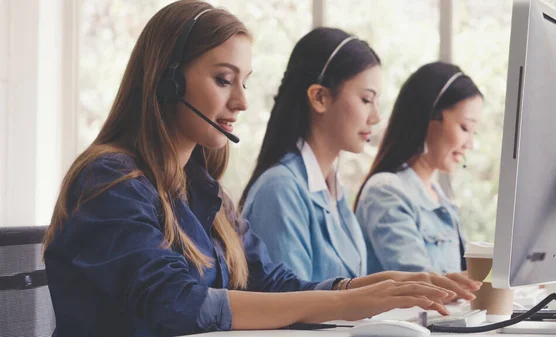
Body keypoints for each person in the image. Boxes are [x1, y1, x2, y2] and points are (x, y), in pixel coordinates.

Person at [42, 3, 473, 337]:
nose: (242, 102)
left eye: (244, 82)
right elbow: (175, 303)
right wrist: (341, 306)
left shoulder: (199, 187)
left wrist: (363, 289)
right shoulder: (108, 181)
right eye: (224, 80)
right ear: (167, 81)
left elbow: (268, 279)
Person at [239, 29, 480, 296]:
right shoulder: (280, 190)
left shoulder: (334, 192)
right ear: (320, 97)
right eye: (366, 100)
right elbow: (288, 308)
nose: (376, 117)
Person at [354, 62, 483, 275]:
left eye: (473, 133)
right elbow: (421, 284)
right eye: (465, 128)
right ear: (430, 118)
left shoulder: (440, 199)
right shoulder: (386, 191)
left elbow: (461, 275)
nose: (470, 144)